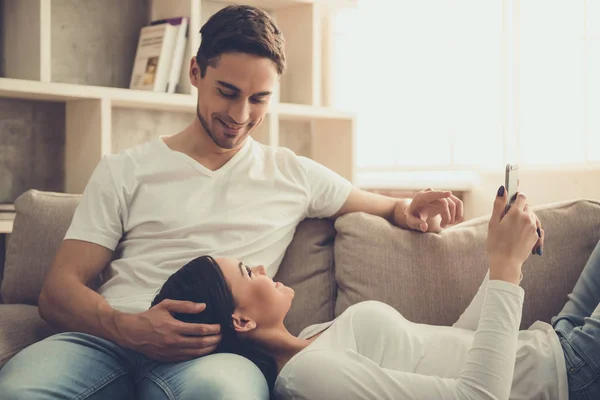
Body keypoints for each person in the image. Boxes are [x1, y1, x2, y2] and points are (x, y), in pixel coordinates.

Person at [0, 5, 466, 400]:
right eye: (227, 93)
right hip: (104, 338)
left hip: (216, 357)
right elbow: (57, 292)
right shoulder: (126, 169)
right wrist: (128, 326)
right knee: (19, 390)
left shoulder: (293, 173)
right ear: (196, 73)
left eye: (258, 99)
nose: (240, 116)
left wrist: (410, 208)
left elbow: (383, 206)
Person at [149, 187, 600, 400]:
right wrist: (507, 269)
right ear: (241, 320)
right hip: (569, 377)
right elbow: (479, 396)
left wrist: (499, 258)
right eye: (248, 272)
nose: (263, 268)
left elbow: (457, 347)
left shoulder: (315, 334)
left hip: (553, 341)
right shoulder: (309, 380)